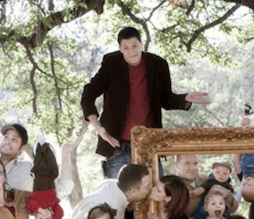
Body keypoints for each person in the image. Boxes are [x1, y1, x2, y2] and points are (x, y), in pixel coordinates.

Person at [81, 26, 209, 179]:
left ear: (141, 43)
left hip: (149, 143)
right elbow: (88, 94)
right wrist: (98, 128)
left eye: (135, 46)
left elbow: (165, 100)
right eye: (126, 48)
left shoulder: (158, 64)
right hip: (117, 144)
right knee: (119, 199)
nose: (131, 51)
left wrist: (185, 98)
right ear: (120, 48)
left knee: (155, 196)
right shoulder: (111, 63)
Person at [174, 154, 207, 219]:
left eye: (195, 163)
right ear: (176, 165)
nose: (192, 168)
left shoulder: (206, 179)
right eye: (187, 163)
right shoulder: (171, 186)